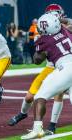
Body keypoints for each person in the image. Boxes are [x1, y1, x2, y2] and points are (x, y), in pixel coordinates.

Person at [8, 4, 71, 135]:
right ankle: (23, 114)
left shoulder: (47, 37)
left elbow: (37, 60)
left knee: (41, 96)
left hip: (62, 67)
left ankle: (41, 128)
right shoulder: (66, 30)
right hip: (56, 65)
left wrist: (39, 43)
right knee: (31, 95)